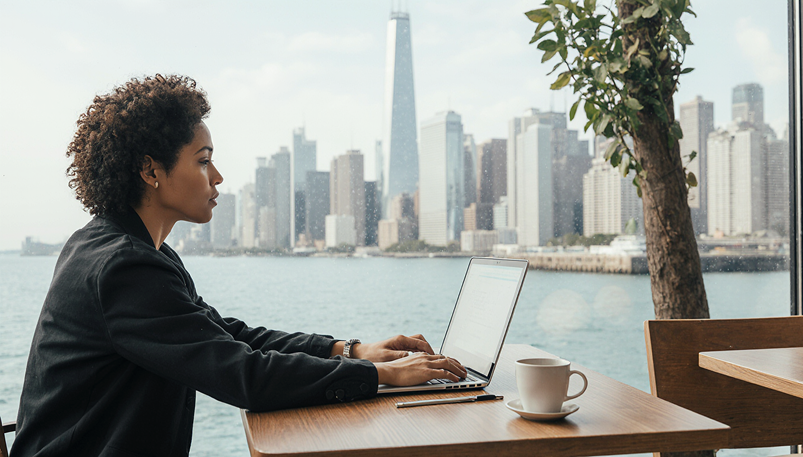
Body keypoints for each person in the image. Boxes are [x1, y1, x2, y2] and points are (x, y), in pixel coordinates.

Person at [11, 74, 466, 457]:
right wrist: (381, 375)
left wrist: (350, 350)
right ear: (151, 171)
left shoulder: (129, 249)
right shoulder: (122, 266)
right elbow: (243, 375)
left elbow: (228, 336)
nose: (218, 177)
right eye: (204, 161)